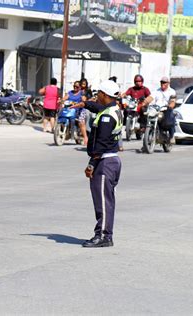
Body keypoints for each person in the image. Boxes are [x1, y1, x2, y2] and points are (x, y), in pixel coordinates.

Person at [70, 80, 123, 248]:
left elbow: (101, 143)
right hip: (110, 160)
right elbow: (97, 107)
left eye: (99, 93)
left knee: (103, 201)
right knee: (105, 199)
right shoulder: (113, 109)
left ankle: (104, 236)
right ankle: (104, 234)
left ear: (105, 95)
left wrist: (91, 164)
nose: (96, 95)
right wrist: (84, 104)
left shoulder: (107, 117)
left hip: (104, 162)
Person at [145, 76, 177, 142]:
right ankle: (145, 143)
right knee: (148, 119)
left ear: (168, 83)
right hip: (157, 109)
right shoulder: (156, 91)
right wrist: (144, 102)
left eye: (165, 82)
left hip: (166, 110)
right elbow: (150, 97)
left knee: (169, 120)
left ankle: (171, 136)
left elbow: (173, 101)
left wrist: (171, 105)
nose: (163, 84)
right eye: (162, 82)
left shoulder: (172, 91)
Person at [78, 78, 93, 145]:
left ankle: (85, 136)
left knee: (82, 119)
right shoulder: (78, 90)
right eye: (82, 84)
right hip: (77, 106)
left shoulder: (88, 91)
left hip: (85, 107)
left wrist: (86, 100)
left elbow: (91, 98)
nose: (83, 85)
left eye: (84, 84)